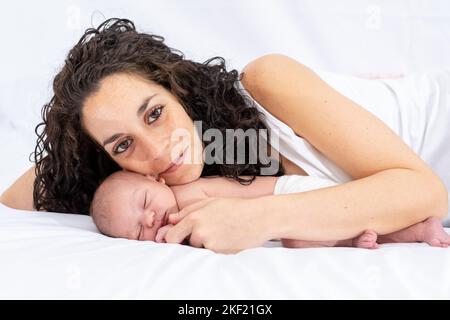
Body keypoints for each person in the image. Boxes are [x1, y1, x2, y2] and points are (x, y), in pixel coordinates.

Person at [0, 18, 448, 254]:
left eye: (155, 113)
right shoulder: (150, 191)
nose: (156, 150)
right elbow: (18, 195)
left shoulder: (268, 81)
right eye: (122, 144)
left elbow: (427, 193)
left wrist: (263, 219)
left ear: (178, 90)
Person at [90, 170, 450, 249]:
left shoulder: (190, 193)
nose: (150, 219)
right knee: (304, 243)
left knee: (299, 241)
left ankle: (417, 229)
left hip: (293, 194)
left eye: (144, 204)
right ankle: (371, 236)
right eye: (138, 230)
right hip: (281, 215)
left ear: (158, 182)